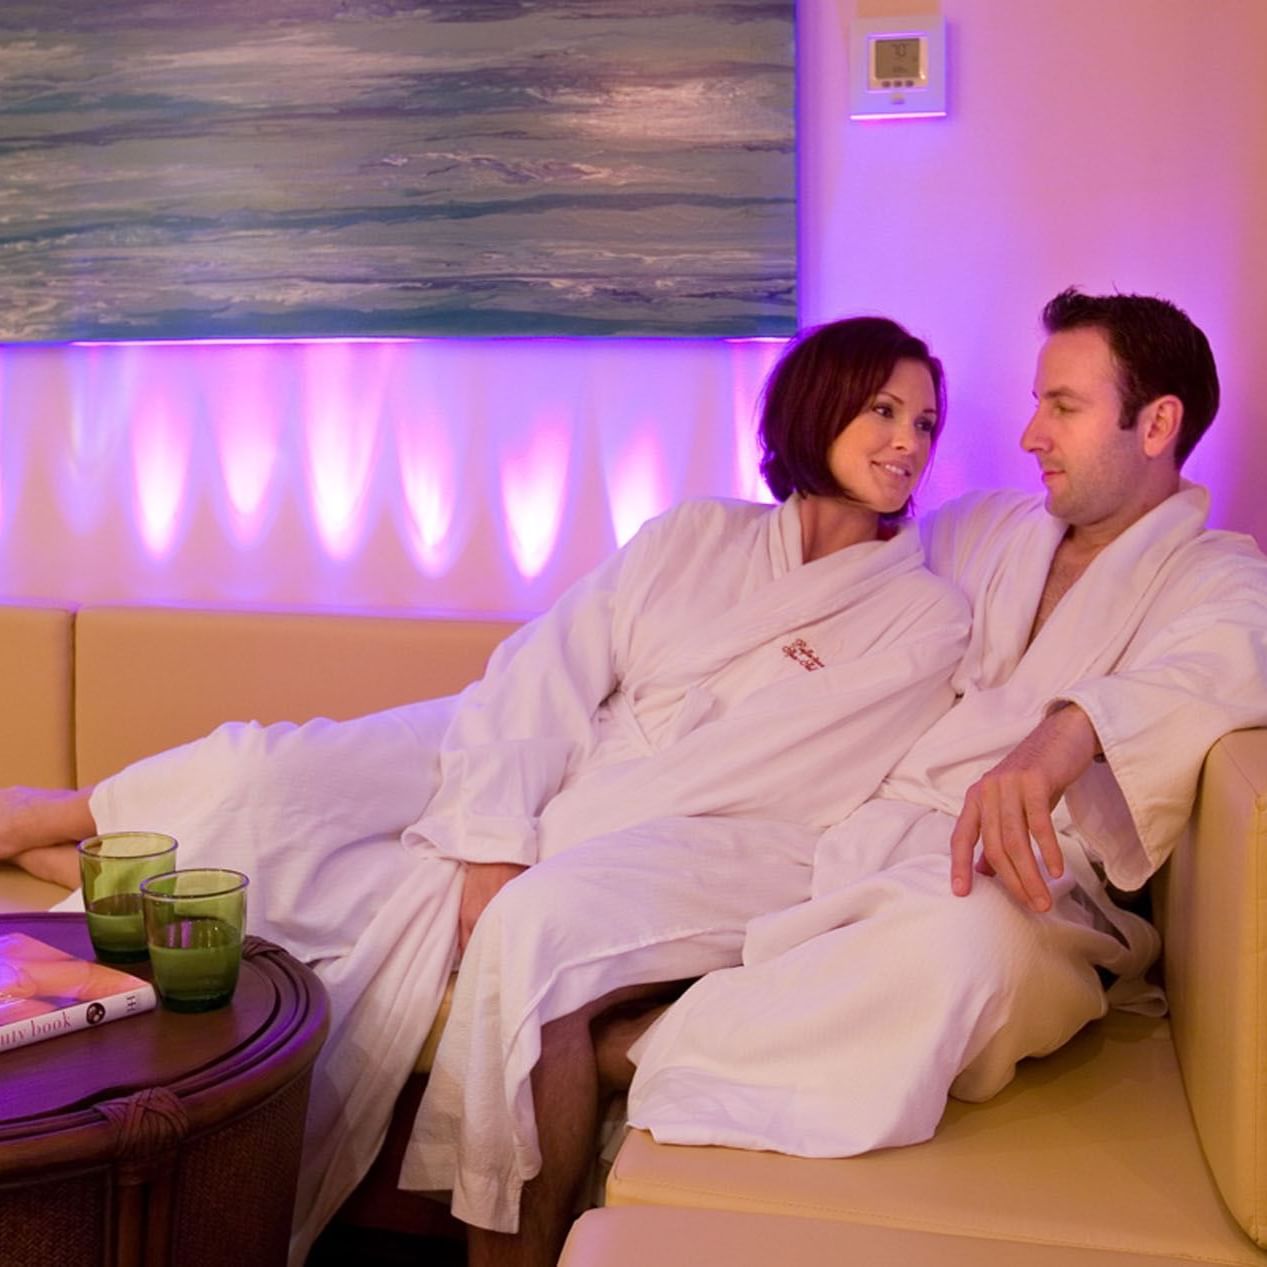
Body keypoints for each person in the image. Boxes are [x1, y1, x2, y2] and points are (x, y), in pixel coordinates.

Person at [0, 316, 971, 1264]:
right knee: (277, 772)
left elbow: (767, 769)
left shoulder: (919, 616)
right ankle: (54, 822)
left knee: (483, 915)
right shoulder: (695, 532)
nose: (906, 443)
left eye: (924, 423)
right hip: (548, 751)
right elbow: (548, 666)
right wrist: (493, 826)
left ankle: (80, 854)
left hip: (688, 829)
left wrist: (538, 844)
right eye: (883, 410)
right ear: (817, 406)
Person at [618, 289, 1267, 1179]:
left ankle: (649, 1048)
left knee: (967, 945)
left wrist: (1068, 731)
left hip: (1034, 884)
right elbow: (849, 572)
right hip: (865, 828)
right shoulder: (987, 530)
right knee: (664, 851)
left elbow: (1216, 667)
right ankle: (720, 1000)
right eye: (1038, 402)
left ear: (1156, 423)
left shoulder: (1217, 578)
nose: (1029, 434)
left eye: (1062, 407)